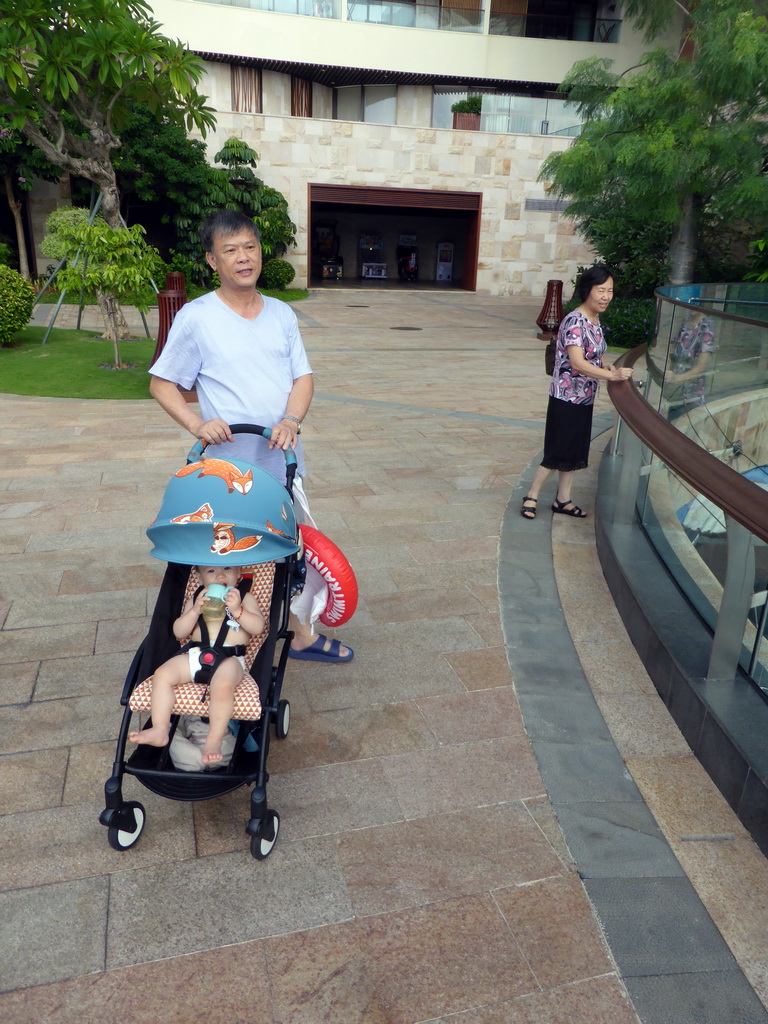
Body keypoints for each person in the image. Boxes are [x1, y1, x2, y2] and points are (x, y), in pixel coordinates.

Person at [149, 209, 352, 663]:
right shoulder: (197, 318)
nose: (244, 258)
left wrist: (291, 420)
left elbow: (303, 377)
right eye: (230, 250)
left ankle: (300, 634)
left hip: (283, 462)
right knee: (227, 555)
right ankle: (215, 642)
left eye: (250, 247)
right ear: (212, 260)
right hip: (227, 470)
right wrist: (197, 425)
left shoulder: (281, 314)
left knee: (292, 549)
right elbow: (162, 384)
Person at [521, 265, 633, 520]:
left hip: (585, 396)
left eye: (610, 291)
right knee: (558, 450)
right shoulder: (575, 320)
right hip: (566, 397)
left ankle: (563, 499)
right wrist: (612, 376)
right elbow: (577, 363)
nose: (606, 296)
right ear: (587, 291)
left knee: (573, 451)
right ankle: (532, 495)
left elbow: (591, 357)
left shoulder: (595, 320)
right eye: (601, 290)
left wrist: (602, 366)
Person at [129, 565, 266, 765]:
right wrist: (194, 611)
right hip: (196, 654)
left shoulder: (244, 598)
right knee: (162, 674)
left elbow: (258, 628)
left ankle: (214, 739)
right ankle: (160, 728)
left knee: (221, 686)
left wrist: (238, 610)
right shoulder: (196, 599)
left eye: (227, 569)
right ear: (200, 577)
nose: (219, 575)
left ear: (238, 574)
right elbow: (179, 632)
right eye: (210, 571)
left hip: (230, 658)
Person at [666, 309, 715, 419]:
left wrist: (676, 378)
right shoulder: (686, 321)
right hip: (676, 391)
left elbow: (701, 366)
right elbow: (673, 351)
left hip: (692, 395)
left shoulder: (707, 326)